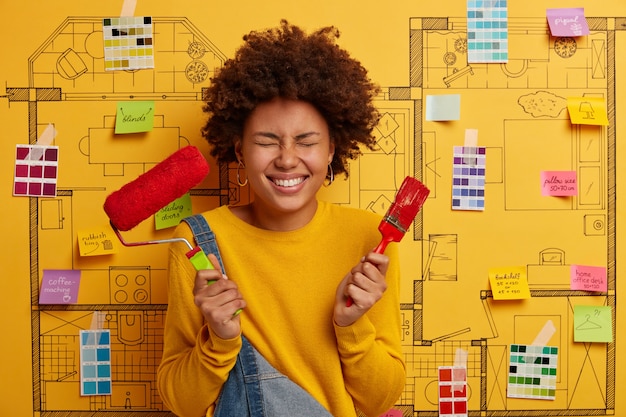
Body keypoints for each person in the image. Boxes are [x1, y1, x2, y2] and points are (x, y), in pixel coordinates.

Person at [157, 20, 405, 417]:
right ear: (239, 152)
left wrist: (352, 325)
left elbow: (379, 402)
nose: (287, 158)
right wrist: (220, 339)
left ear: (331, 151)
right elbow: (182, 404)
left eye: (306, 141)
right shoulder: (199, 242)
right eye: (266, 141)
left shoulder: (369, 241)